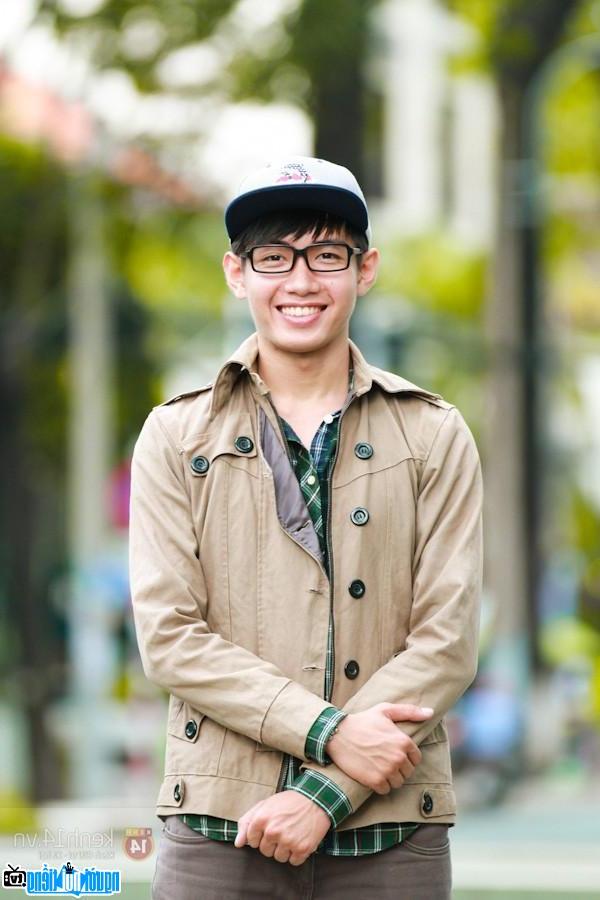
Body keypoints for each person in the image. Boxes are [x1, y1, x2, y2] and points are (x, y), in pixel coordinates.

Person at [129, 155, 483, 899]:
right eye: (273, 257)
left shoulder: (434, 433)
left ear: (366, 269)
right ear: (237, 273)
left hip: (390, 833)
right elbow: (170, 636)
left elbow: (445, 643)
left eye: (326, 255)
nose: (300, 280)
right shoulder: (176, 434)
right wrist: (330, 732)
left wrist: (324, 793)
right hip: (220, 828)